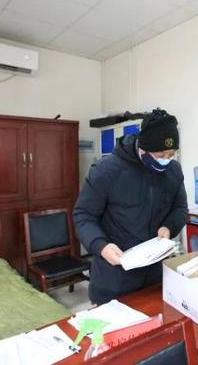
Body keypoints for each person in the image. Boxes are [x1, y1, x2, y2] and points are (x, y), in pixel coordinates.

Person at [73, 108, 188, 304]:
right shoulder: (106, 171)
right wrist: (101, 246)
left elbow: (180, 208)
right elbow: (83, 215)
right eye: (160, 154)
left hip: (155, 277)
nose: (166, 159)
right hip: (114, 278)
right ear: (143, 148)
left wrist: (168, 227)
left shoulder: (173, 171)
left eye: (171, 154)